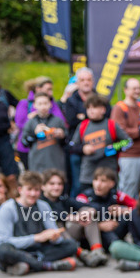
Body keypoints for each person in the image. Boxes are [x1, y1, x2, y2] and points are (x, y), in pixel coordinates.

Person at [0, 170, 78, 275]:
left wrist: (55, 238)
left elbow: (54, 234)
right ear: (20, 190)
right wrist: (36, 238)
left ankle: (24, 265)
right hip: (17, 250)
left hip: (39, 250)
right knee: (3, 250)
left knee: (71, 245)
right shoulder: (7, 208)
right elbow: (4, 240)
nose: (33, 194)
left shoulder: (43, 206)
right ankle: (47, 266)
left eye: (36, 190)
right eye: (29, 189)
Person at [70, 167, 135, 266]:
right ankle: (103, 250)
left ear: (111, 183)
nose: (98, 184)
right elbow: (76, 222)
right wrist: (99, 226)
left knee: (130, 216)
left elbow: (138, 206)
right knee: (88, 214)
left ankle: (136, 244)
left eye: (103, 181)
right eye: (95, 180)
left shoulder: (116, 195)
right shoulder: (83, 197)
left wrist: (124, 211)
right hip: (90, 237)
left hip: (113, 229)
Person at [68, 93, 130, 189]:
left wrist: (113, 148)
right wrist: (83, 149)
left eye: (94, 107)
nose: (91, 111)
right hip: (88, 175)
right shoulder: (83, 126)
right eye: (88, 108)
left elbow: (127, 142)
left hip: (108, 174)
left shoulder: (111, 125)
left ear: (103, 110)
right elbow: (72, 146)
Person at [14, 76, 65, 169]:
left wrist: (59, 133)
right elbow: (20, 125)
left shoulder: (54, 108)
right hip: (31, 152)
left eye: (45, 103)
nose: (51, 93)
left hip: (52, 153)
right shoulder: (25, 105)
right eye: (48, 89)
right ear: (38, 89)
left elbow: (61, 123)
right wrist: (35, 130)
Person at [111, 77, 140, 196]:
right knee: (128, 190)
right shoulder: (120, 108)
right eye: (134, 88)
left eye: (139, 88)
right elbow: (120, 131)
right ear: (126, 90)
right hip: (129, 155)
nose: (137, 91)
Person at [61, 67, 95, 195]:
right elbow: (72, 122)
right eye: (82, 80)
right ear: (77, 83)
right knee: (77, 185)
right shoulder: (71, 100)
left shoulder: (100, 98)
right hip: (76, 149)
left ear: (93, 81)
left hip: (97, 148)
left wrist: (82, 116)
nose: (86, 83)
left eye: (88, 80)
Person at [20, 93, 68, 173]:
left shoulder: (58, 121)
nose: (43, 107)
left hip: (56, 164)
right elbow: (24, 143)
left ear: (50, 104)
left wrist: (62, 136)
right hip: (37, 165)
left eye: (45, 103)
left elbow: (67, 142)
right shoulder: (30, 123)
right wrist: (35, 134)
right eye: (40, 104)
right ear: (35, 105)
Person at [0, 67, 19, 194]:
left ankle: (14, 199)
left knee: (11, 175)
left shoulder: (4, 94)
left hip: (3, 139)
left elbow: (21, 107)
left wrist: (14, 121)